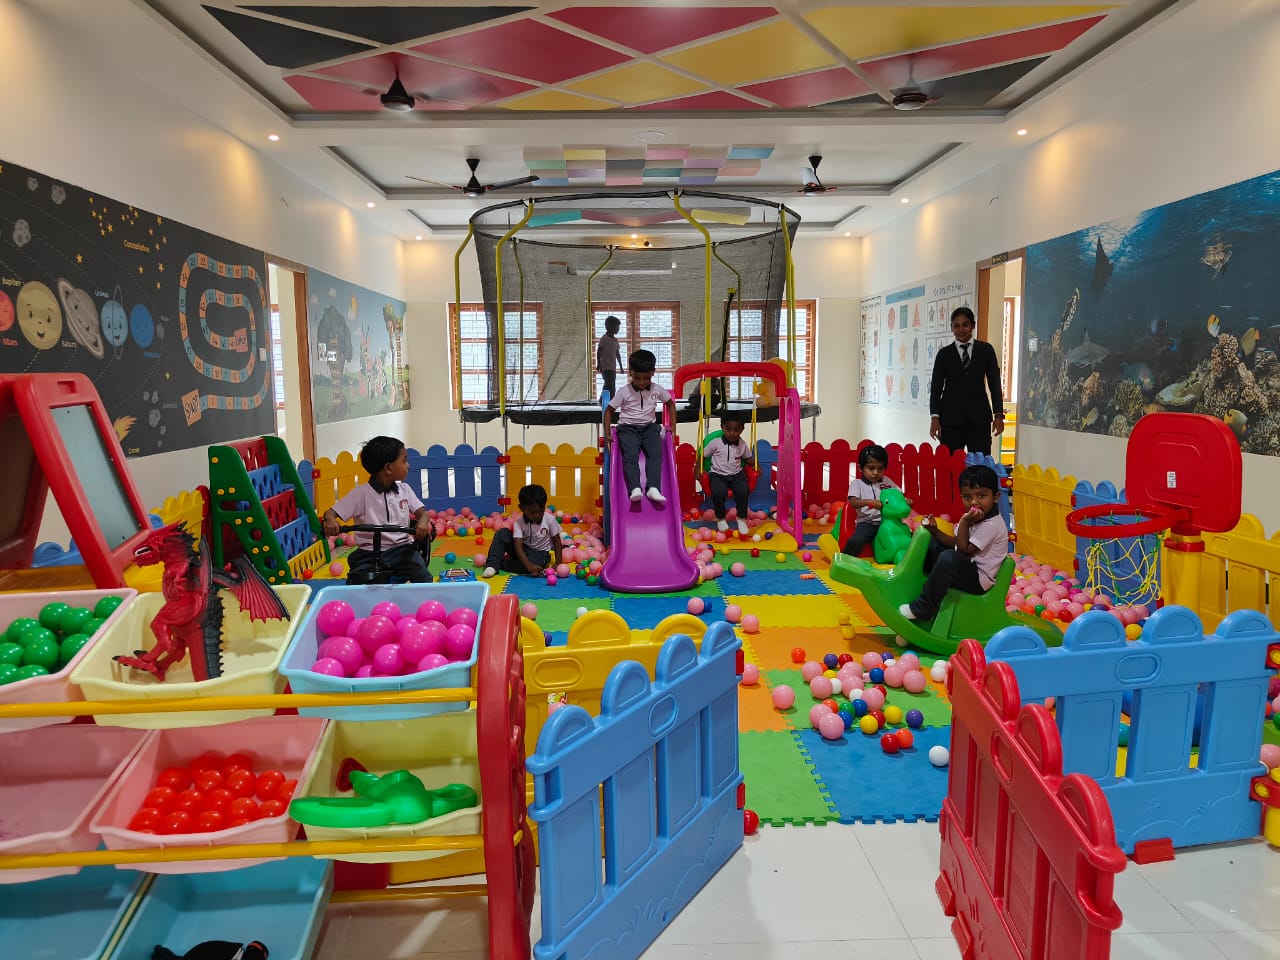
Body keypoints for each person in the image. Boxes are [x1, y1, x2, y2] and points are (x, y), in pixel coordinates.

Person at [898, 464, 1007, 621]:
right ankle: (918, 579)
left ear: (995, 496)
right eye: (967, 497)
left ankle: (923, 608)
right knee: (932, 543)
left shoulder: (992, 524)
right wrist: (934, 531)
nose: (974, 502)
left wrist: (965, 522)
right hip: (967, 566)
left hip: (978, 580)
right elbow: (955, 542)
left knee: (949, 559)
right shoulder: (973, 517)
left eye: (981, 496)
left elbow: (963, 550)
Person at [321, 436, 433, 583]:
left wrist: (423, 523)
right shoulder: (361, 493)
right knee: (355, 580)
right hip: (368, 553)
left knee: (423, 576)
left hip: (402, 549)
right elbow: (330, 513)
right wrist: (330, 520)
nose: (408, 465)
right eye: (404, 460)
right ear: (388, 468)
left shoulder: (405, 490)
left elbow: (423, 513)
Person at [603, 349, 677, 504]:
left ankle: (653, 488)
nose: (642, 382)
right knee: (630, 455)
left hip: (649, 427)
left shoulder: (657, 389)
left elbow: (670, 404)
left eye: (646, 378)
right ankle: (635, 488)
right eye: (637, 378)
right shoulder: (624, 391)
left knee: (656, 454)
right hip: (628, 428)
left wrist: (673, 426)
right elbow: (609, 411)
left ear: (653, 372)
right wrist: (607, 433)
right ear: (630, 372)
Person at [929, 306, 1005, 456]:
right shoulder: (944, 354)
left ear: (973, 326)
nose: (961, 330)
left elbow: (995, 385)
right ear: (951, 328)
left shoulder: (986, 350)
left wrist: (998, 415)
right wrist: (935, 418)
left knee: (980, 464)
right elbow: (936, 389)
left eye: (965, 325)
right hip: (950, 420)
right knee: (950, 464)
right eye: (956, 326)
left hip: (979, 420)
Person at [482, 483, 564, 578]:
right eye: (532, 512)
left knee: (536, 563)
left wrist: (558, 563)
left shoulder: (550, 519)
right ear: (521, 508)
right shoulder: (519, 523)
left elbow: (557, 541)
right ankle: (492, 565)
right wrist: (529, 566)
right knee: (502, 533)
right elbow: (518, 547)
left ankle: (501, 563)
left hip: (540, 554)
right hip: (521, 551)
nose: (537, 515)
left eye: (541, 511)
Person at [841, 444, 900, 557]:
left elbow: (898, 494)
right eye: (871, 468)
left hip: (887, 521)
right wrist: (869, 502)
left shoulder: (887, 481)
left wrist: (905, 500)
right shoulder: (857, 484)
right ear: (860, 468)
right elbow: (853, 502)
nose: (876, 472)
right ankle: (845, 559)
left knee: (906, 534)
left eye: (880, 469)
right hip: (867, 523)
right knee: (857, 540)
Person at [704, 412, 755, 534]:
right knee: (719, 492)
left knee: (743, 491)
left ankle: (741, 518)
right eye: (728, 429)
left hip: (737, 475)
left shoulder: (742, 444)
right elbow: (702, 456)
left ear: (742, 430)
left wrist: (756, 465)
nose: (732, 433)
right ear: (722, 427)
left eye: (736, 430)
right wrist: (697, 469)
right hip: (717, 474)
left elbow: (748, 458)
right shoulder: (715, 442)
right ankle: (720, 517)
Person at [596, 315, 623, 399]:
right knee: (608, 384)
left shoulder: (615, 340)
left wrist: (621, 366)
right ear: (609, 327)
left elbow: (617, 354)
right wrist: (599, 364)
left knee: (612, 384)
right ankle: (603, 400)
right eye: (616, 327)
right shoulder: (604, 338)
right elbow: (599, 351)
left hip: (612, 367)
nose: (618, 329)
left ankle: (610, 400)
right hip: (605, 366)